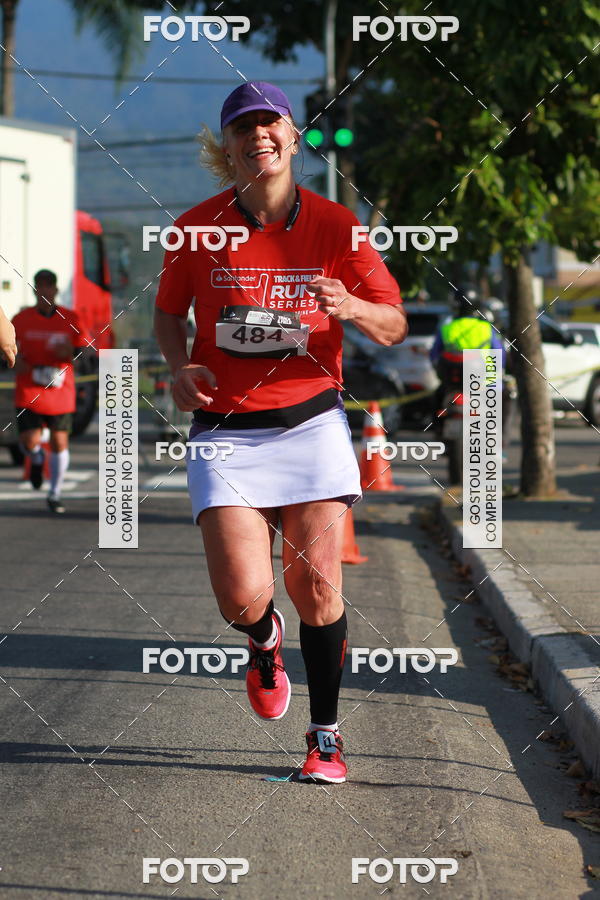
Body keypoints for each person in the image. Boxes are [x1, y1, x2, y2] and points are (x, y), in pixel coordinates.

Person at [154, 81, 407, 784]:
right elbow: (169, 315)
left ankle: (325, 737)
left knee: (318, 585)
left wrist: (353, 304)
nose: (258, 136)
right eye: (243, 128)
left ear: (295, 138)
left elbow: (394, 323)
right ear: (227, 147)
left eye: (271, 124)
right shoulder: (195, 228)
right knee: (242, 595)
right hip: (226, 430)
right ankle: (264, 643)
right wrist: (179, 366)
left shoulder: (337, 226)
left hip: (311, 423)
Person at [12, 269, 90, 513]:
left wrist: (69, 354)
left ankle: (54, 494)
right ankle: (35, 459)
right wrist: (13, 360)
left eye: (49, 286)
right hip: (29, 387)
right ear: (35, 290)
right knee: (30, 440)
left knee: (59, 441)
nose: (44, 291)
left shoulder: (71, 318)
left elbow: (86, 353)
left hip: (60, 391)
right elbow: (6, 348)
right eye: (40, 287)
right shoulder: (21, 319)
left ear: (55, 290)